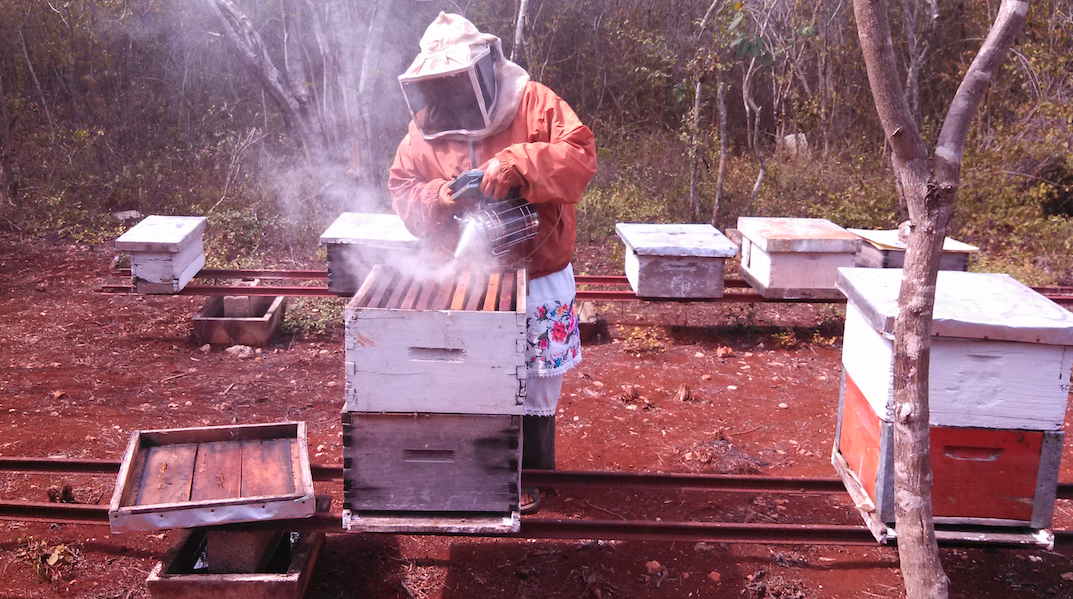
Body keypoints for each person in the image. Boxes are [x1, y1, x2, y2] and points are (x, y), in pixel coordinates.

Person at [389, 12, 597, 514]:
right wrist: (441, 195)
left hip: (538, 274)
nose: (447, 92)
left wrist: (517, 164)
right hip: (467, 281)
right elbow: (402, 188)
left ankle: (533, 477)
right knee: (473, 381)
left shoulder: (535, 102)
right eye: (437, 83)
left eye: (453, 79)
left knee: (536, 385)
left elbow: (580, 160)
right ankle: (476, 476)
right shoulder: (426, 126)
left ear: (482, 71)